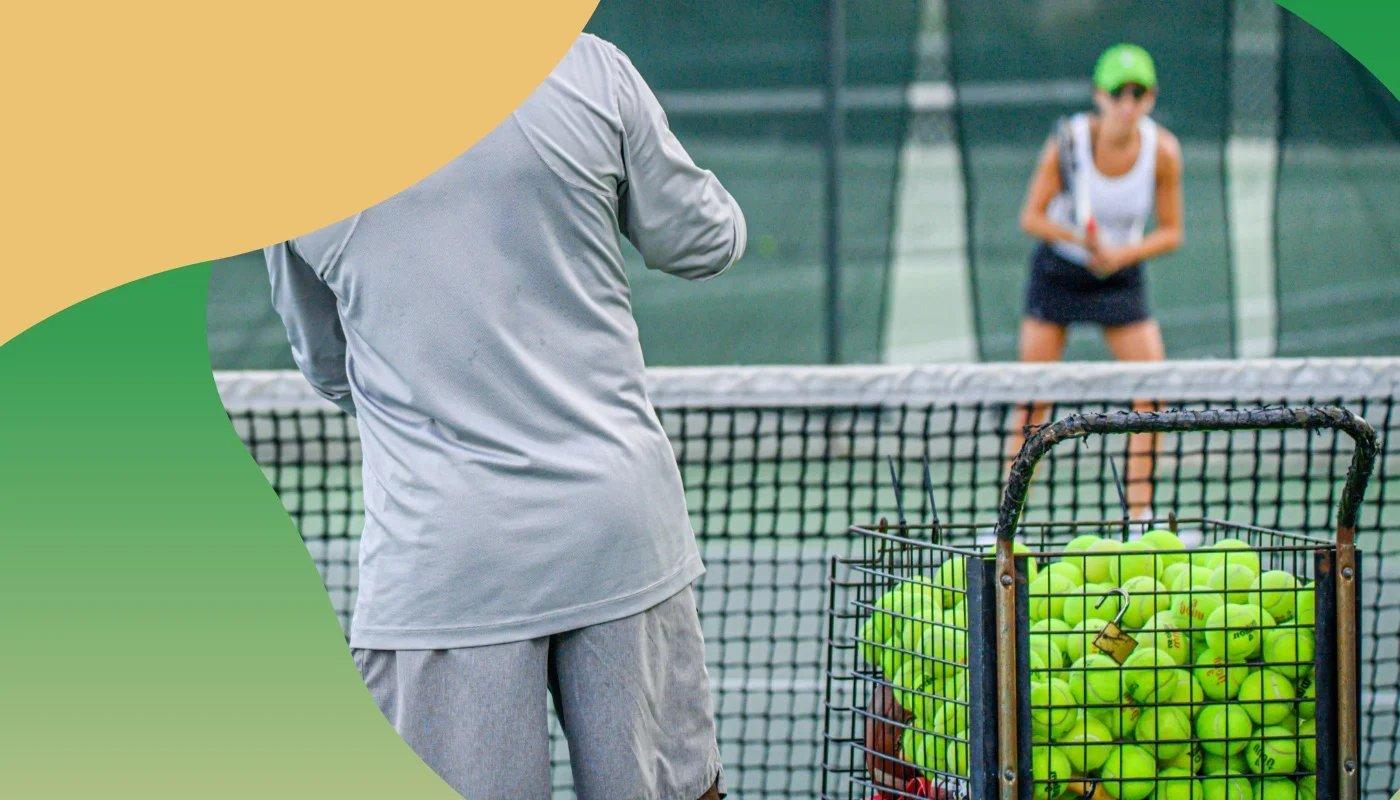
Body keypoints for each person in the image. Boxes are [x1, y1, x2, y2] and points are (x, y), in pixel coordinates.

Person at [265, 33, 745, 800]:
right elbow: (703, 240)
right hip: (618, 529)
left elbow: (329, 367)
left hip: (444, 562)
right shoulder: (588, 69)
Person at [1011, 43, 1184, 521]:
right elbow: (1032, 217)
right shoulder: (1066, 142)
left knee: (1151, 394)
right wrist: (1080, 240)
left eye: (1139, 93)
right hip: (1060, 271)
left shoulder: (1163, 152)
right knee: (1032, 399)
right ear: (1099, 96)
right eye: (1118, 92)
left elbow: (1172, 232)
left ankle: (1141, 517)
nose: (1128, 103)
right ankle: (1006, 523)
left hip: (1120, 276)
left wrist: (1120, 254)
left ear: (1150, 98)